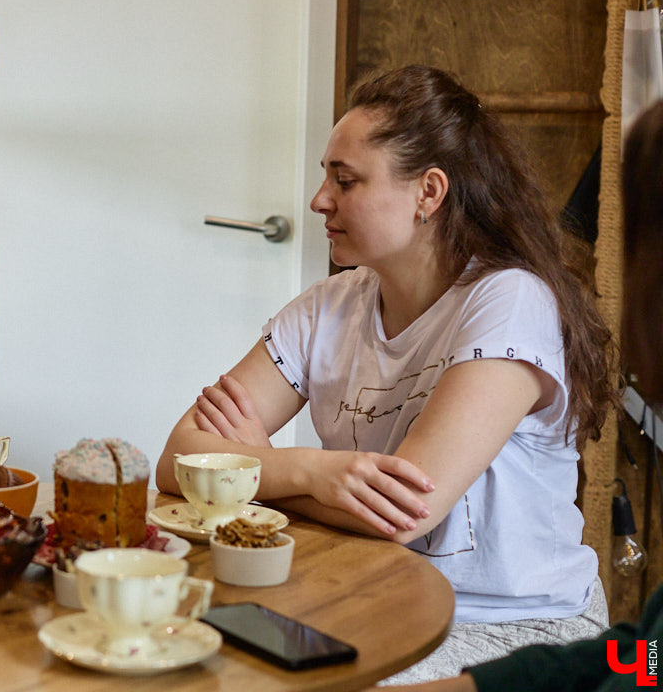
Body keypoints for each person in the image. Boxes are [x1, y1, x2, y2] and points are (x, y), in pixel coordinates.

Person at [158, 65, 617, 682]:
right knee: (184, 650)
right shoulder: (327, 307)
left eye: (344, 181)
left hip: (511, 627)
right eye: (326, 177)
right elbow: (177, 460)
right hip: (369, 595)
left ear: (428, 192)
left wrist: (251, 465)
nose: (319, 200)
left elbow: (406, 513)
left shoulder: (510, 300)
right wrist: (313, 472)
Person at [365, 99, 663, 691]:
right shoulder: (339, 299)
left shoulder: (513, 299)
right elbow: (648, 659)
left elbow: (404, 507)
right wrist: (468, 688)